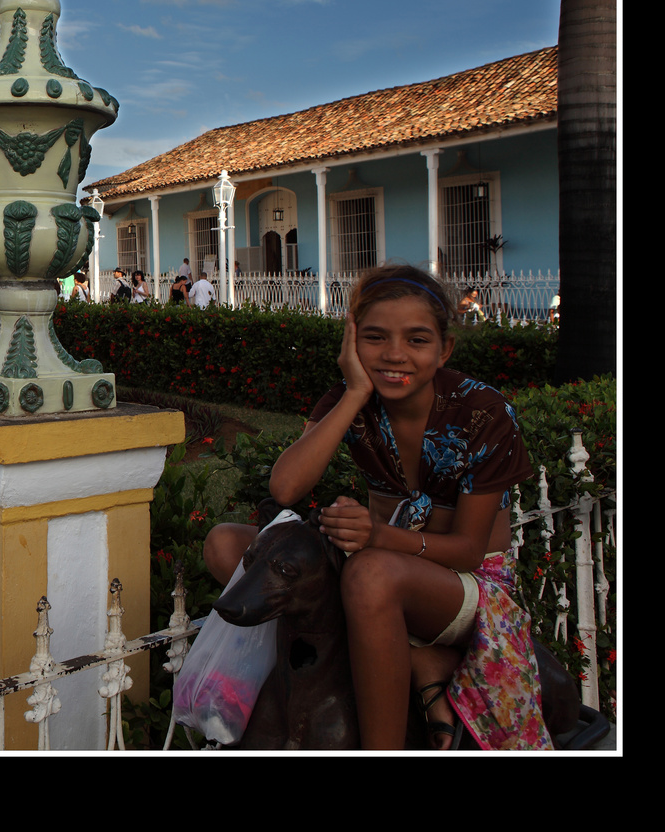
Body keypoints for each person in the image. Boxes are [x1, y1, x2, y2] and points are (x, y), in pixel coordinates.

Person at [201, 263, 549, 750]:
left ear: (445, 348)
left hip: (466, 584)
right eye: (375, 337)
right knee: (227, 545)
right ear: (352, 340)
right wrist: (356, 391)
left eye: (417, 340)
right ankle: (415, 660)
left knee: (370, 575)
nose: (394, 355)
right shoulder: (353, 398)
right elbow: (285, 487)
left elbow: (470, 550)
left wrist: (378, 536)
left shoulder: (482, 413)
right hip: (374, 557)